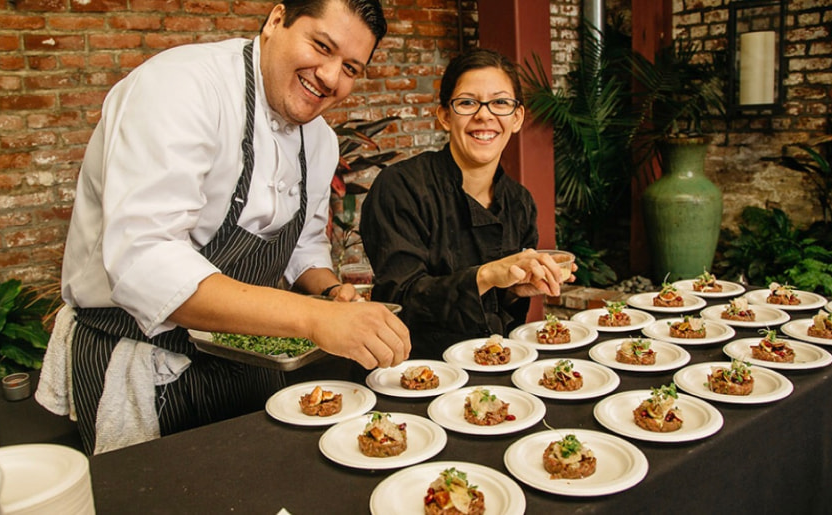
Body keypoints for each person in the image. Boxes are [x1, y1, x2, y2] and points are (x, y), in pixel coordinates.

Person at [42, 0, 410, 454]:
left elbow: (304, 247)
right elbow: (145, 262)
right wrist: (317, 318)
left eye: (351, 67)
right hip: (140, 355)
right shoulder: (181, 87)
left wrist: (332, 293)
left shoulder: (320, 141)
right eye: (321, 46)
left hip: (246, 359)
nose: (331, 78)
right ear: (276, 20)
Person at [359, 48, 571, 359]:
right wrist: (485, 275)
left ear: (517, 118)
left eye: (500, 103)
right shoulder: (401, 187)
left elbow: (503, 317)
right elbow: (399, 301)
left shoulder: (520, 203)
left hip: (496, 370)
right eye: (467, 103)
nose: (484, 115)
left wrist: (514, 290)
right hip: (413, 375)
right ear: (445, 116)